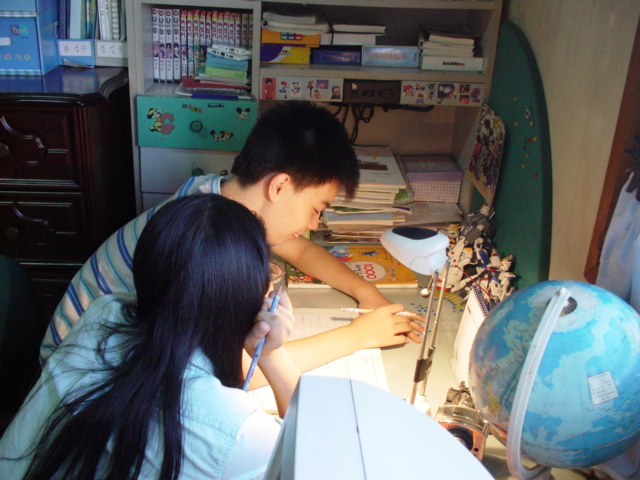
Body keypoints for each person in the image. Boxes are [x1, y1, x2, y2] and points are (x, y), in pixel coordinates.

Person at [40, 101, 422, 386]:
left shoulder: (219, 197)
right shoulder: (202, 247)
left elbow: (302, 250)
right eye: (315, 209)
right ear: (280, 186)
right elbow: (232, 371)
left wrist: (366, 293)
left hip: (104, 356)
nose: (313, 224)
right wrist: (357, 336)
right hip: (84, 382)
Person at [0, 194, 299, 480]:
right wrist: (272, 355)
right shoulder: (235, 431)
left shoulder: (106, 312)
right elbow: (303, 459)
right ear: (249, 299)